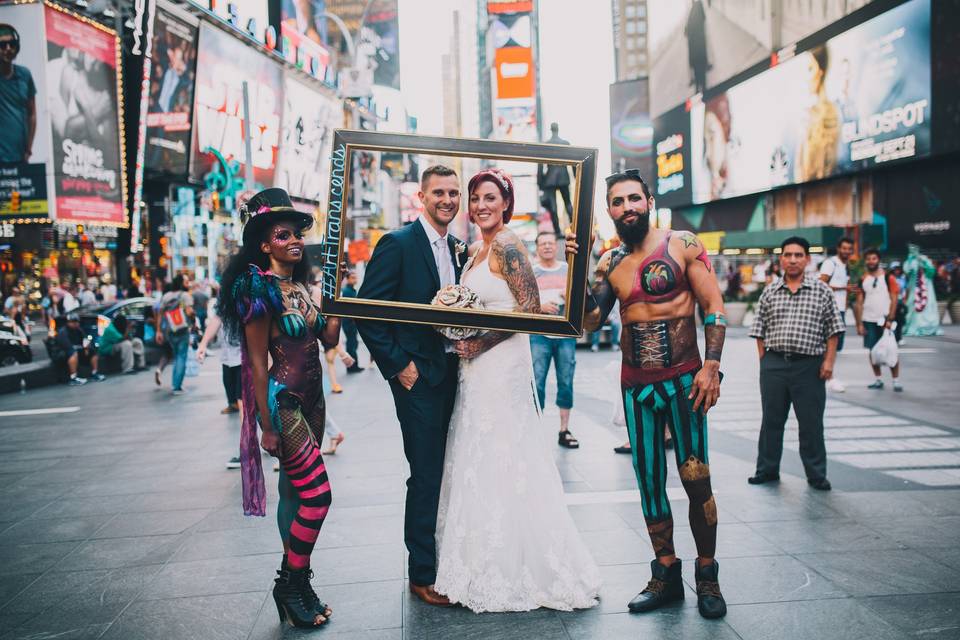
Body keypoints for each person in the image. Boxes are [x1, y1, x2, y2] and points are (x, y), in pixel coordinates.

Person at [433, 168, 600, 612]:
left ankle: (523, 566)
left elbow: (526, 311)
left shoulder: (509, 245)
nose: (481, 205)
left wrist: (479, 342)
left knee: (507, 452)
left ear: (505, 203)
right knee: (478, 451)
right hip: (475, 368)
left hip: (502, 363)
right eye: (475, 198)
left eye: (489, 197)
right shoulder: (472, 251)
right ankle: (479, 562)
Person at [584, 168, 727, 619]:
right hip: (636, 385)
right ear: (609, 210)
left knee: (695, 477)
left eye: (633, 199)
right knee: (648, 483)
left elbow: (714, 307)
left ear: (648, 201)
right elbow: (589, 321)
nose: (627, 208)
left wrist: (711, 366)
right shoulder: (608, 263)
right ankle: (665, 572)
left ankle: (707, 574)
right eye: (617, 201)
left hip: (686, 381)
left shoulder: (683, 244)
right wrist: (576, 270)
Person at [218, 188, 341, 628]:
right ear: (265, 243)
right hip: (283, 402)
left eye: (296, 235)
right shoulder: (256, 288)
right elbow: (255, 362)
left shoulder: (301, 286)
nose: (293, 241)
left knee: (294, 493)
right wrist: (265, 427)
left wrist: (335, 295)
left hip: (315, 400)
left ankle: (300, 586)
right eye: (282, 235)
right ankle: (289, 582)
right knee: (317, 496)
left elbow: (329, 339)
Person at [356, 165, 470, 606]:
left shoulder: (458, 249)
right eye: (439, 192)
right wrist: (398, 365)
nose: (447, 199)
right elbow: (367, 310)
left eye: (453, 192)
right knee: (425, 474)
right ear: (421, 197)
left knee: (446, 471)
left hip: (453, 375)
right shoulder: (398, 243)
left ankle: (445, 559)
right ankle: (421, 574)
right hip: (418, 378)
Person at [749, 236, 843, 492]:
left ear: (807, 260)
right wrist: (765, 361)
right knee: (771, 420)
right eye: (788, 255)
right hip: (775, 364)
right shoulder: (770, 291)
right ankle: (766, 470)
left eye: (798, 255)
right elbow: (759, 330)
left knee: (811, 423)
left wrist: (829, 362)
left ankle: (816, 475)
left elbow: (833, 330)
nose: (792, 260)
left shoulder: (821, 291)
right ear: (781, 259)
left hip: (809, 366)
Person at [530, 231, 580, 448]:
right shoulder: (531, 271)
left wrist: (568, 297)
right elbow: (522, 302)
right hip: (539, 334)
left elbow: (580, 298)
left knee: (566, 381)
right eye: (543, 244)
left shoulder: (568, 270)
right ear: (537, 247)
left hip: (565, 334)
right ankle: (535, 430)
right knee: (537, 382)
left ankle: (564, 429)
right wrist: (539, 307)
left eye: (551, 243)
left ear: (556, 246)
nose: (548, 247)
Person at [853, 248, 902, 392]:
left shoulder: (889, 278)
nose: (871, 261)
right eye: (868, 259)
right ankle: (878, 379)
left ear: (878, 260)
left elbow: (894, 299)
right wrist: (859, 323)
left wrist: (890, 319)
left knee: (891, 349)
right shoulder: (863, 279)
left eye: (873, 258)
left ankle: (896, 380)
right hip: (869, 320)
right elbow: (859, 302)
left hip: (885, 320)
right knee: (872, 351)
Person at [797, 45, 839, 182]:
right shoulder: (805, 115)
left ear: (820, 72)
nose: (806, 77)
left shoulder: (831, 114)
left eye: (810, 69)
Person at [819, 236, 855, 392]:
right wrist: (843, 289)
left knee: (835, 346)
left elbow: (846, 289)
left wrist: (845, 307)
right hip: (828, 309)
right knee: (829, 345)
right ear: (838, 248)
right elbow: (821, 284)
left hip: (839, 309)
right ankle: (830, 378)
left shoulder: (846, 266)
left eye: (849, 249)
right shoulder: (830, 263)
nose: (846, 251)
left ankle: (827, 375)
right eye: (844, 248)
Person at [0, 24, 37, 164]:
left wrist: (28, 149)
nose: (8, 48)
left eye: (12, 44)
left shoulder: (25, 75)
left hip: (20, 157)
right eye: (2, 45)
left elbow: (32, 113)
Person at [156, 274, 194, 395]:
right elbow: (189, 312)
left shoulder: (166, 296)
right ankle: (177, 386)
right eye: (186, 282)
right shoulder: (185, 296)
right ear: (181, 283)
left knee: (177, 356)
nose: (188, 284)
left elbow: (160, 314)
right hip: (182, 329)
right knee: (181, 357)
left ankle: (175, 384)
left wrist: (158, 331)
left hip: (169, 330)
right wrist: (193, 319)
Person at [538, 123, 574, 235]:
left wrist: (540, 182)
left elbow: (540, 165)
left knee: (553, 206)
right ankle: (575, 227)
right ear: (558, 129)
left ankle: (557, 232)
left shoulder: (546, 144)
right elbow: (574, 161)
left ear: (551, 130)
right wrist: (576, 176)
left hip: (550, 178)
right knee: (568, 203)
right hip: (563, 177)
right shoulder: (565, 143)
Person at [56, 312, 105, 385]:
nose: (75, 324)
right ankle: (73, 377)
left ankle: (94, 373)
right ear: (68, 322)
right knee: (73, 353)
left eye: (76, 322)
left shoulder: (79, 330)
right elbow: (67, 346)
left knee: (92, 352)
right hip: (64, 353)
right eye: (73, 322)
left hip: (77, 350)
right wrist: (81, 349)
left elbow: (85, 340)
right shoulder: (63, 332)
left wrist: (86, 348)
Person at [340, 271, 363, 373]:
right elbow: (349, 308)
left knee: (353, 343)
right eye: (353, 278)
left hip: (352, 322)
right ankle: (352, 367)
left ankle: (354, 366)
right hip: (349, 322)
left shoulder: (352, 290)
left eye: (356, 277)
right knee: (351, 344)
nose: (355, 279)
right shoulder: (347, 291)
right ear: (348, 279)